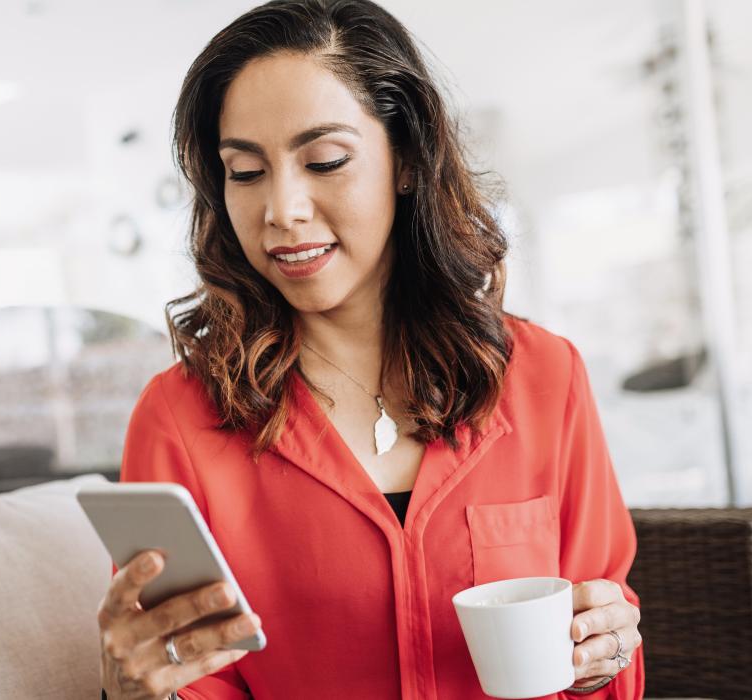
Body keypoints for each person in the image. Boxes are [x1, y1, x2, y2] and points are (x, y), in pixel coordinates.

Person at [95, 1, 645, 698]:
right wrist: (137, 692)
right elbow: (188, 677)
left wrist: (604, 657)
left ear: (408, 162)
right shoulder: (180, 419)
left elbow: (607, 642)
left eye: (323, 160)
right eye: (245, 171)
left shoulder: (544, 376)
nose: (282, 209)